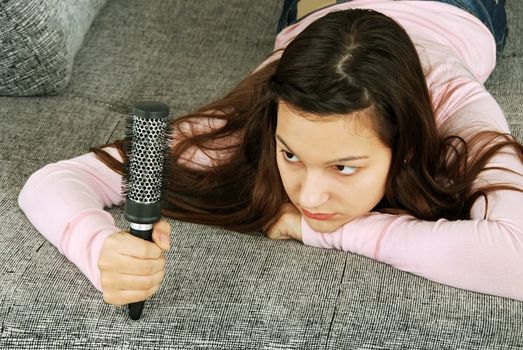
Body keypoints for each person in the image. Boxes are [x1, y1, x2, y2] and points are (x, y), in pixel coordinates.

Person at [19, 0, 523, 307]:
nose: (307, 194)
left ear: (406, 147)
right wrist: (97, 247)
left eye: (344, 166)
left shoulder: (456, 112)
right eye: (291, 156)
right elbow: (52, 181)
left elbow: (514, 259)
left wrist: (324, 232)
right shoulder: (258, 116)